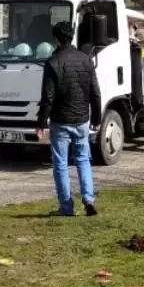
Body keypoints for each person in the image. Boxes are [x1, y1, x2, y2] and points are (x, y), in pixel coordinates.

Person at [36, 19, 101, 217]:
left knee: (61, 164)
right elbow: (95, 92)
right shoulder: (86, 59)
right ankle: (88, 198)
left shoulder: (52, 62)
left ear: (56, 39)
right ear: (71, 37)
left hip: (61, 120)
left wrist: (41, 123)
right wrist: (97, 117)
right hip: (82, 119)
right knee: (83, 160)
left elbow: (48, 98)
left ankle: (66, 207)